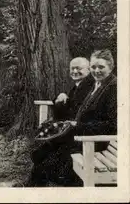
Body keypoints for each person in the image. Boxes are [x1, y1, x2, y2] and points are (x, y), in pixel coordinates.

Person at [25, 50, 117, 187]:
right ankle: (31, 187)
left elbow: (112, 126)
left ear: (111, 67)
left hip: (95, 140)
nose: (96, 71)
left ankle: (35, 188)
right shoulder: (97, 85)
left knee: (53, 158)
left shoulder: (113, 88)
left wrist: (76, 126)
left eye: (101, 67)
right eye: (93, 67)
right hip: (83, 134)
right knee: (46, 151)